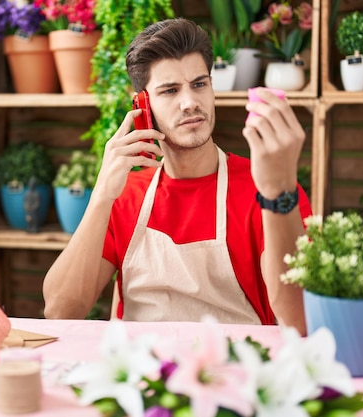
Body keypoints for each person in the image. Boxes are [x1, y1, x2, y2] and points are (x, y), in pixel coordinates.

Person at [43, 18, 312, 334]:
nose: (190, 103)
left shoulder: (267, 190)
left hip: (238, 370)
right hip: (141, 373)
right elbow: (61, 311)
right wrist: (102, 194)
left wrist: (278, 192)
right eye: (170, 90)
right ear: (144, 106)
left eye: (199, 84)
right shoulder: (124, 194)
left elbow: (301, 322)